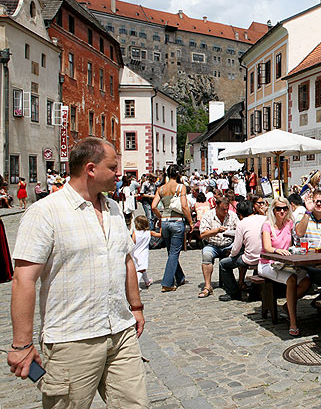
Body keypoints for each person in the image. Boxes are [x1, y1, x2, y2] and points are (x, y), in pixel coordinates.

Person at [8, 137, 149, 408]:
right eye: (113, 167)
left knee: (136, 405)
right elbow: (23, 279)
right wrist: (21, 345)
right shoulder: (46, 212)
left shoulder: (114, 209)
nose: (118, 173)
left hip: (120, 333)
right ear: (91, 169)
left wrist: (136, 307)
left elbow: (126, 259)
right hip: (72, 338)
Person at [259, 197, 311, 336]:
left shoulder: (289, 223)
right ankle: (293, 322)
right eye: (278, 209)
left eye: (284, 208)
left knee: (307, 280)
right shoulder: (267, 225)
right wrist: (277, 251)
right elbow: (267, 247)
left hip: (284, 264)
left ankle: (286, 306)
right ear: (273, 210)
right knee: (292, 279)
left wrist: (308, 212)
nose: (281, 211)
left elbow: (300, 233)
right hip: (268, 264)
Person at [152, 164, 193, 292]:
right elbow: (184, 206)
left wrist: (160, 217)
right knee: (174, 253)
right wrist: (191, 222)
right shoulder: (181, 187)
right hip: (177, 221)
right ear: (179, 174)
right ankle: (167, 282)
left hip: (165, 221)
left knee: (171, 252)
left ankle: (180, 277)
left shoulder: (161, 188)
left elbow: (154, 206)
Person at [218, 200, 266, 301]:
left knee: (223, 264)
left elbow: (236, 248)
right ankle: (255, 291)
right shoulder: (264, 219)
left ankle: (233, 292)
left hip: (251, 258)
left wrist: (231, 256)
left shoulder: (242, 223)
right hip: (265, 256)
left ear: (240, 214)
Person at [197, 197, 239, 298]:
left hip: (228, 244)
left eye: (227, 209)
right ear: (216, 207)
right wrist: (216, 231)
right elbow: (202, 234)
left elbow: (239, 230)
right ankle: (208, 286)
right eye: (223, 209)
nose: (225, 212)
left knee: (241, 254)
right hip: (213, 245)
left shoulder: (232, 216)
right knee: (206, 255)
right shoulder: (208, 215)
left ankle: (239, 282)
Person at [132, 215, 160, 289]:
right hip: (143, 254)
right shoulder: (149, 232)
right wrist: (161, 227)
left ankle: (147, 281)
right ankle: (136, 285)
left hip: (135, 253)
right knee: (141, 269)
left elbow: (132, 242)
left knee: (140, 268)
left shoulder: (135, 233)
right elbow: (160, 235)